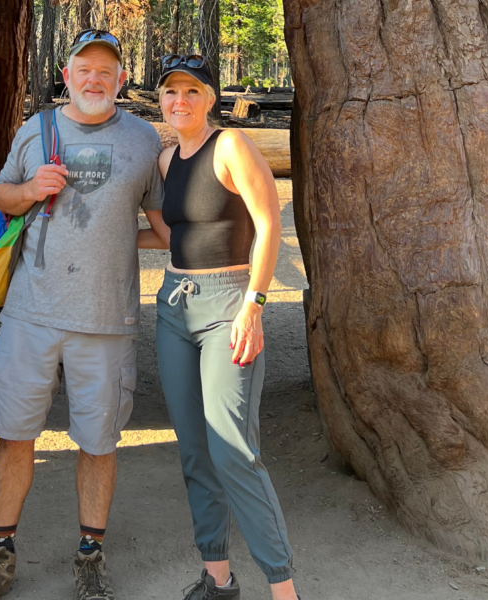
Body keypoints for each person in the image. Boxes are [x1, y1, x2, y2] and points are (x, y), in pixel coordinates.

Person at [0, 29, 165, 600]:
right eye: (84, 69)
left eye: (107, 71)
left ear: (122, 80)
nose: (95, 79)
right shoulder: (36, 129)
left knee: (99, 441)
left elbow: (162, 222)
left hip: (107, 320)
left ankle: (90, 556)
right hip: (32, 313)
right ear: (67, 76)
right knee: (14, 433)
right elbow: (1, 195)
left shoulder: (144, 141)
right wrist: (29, 189)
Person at [140, 55, 300, 600]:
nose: (179, 101)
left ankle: (284, 590)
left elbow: (269, 221)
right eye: (170, 92)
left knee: (232, 448)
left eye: (191, 91)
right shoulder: (166, 162)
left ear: (210, 98)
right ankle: (218, 580)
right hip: (173, 307)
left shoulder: (230, 147)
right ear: (160, 101)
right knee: (193, 450)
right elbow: (173, 235)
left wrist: (254, 304)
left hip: (229, 306)